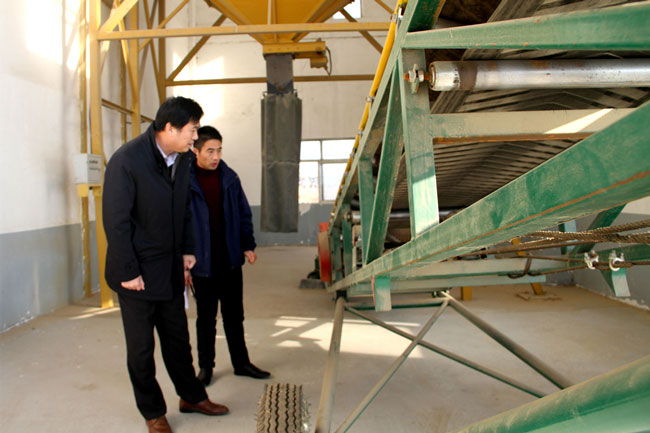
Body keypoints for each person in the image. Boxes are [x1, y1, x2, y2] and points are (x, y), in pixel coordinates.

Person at [103, 97, 229, 433]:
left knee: (178, 341)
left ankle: (192, 397)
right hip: (137, 274)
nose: (196, 137)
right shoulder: (127, 161)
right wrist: (129, 271)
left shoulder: (183, 158)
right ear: (170, 128)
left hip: (170, 266)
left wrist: (187, 250)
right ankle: (153, 413)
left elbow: (183, 208)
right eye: (192, 130)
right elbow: (116, 222)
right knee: (141, 350)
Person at [189, 125, 270, 385]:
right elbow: (177, 224)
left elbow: (244, 214)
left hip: (230, 261)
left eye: (219, 150)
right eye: (210, 151)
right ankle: (205, 368)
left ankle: (241, 363)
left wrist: (248, 245)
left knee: (235, 316)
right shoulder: (185, 181)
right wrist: (183, 259)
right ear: (195, 151)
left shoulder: (230, 178)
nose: (216, 156)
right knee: (206, 319)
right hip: (202, 264)